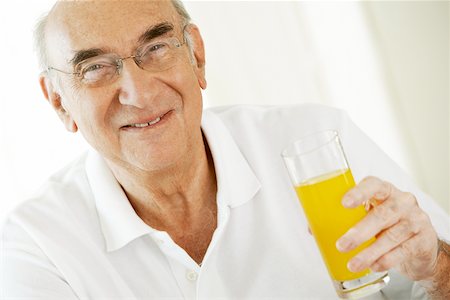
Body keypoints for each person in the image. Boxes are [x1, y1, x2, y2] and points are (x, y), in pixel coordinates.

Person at [1, 0, 449, 299]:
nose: (137, 92)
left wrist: (433, 268)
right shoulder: (37, 245)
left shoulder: (316, 140)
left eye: (156, 48)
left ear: (196, 55)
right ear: (59, 101)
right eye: (96, 68)